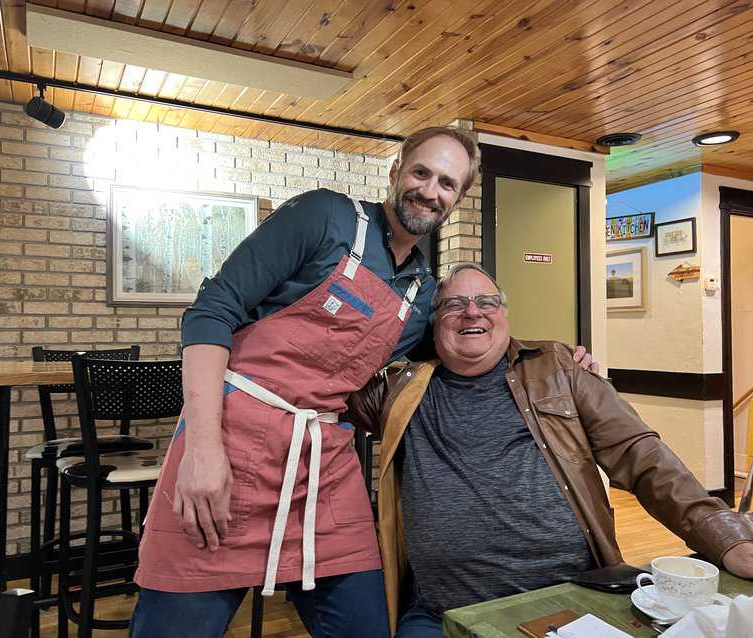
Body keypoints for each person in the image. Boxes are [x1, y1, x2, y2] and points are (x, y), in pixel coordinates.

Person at [129, 126, 598, 638]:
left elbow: (470, 343)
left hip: (325, 466)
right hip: (229, 445)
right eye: (421, 172)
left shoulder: (421, 295)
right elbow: (210, 312)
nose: (430, 190)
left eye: (447, 183)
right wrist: (202, 450)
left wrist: (554, 356)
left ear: (458, 198)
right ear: (396, 173)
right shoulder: (323, 216)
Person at [345, 262, 753, 637]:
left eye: (487, 302)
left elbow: (643, 457)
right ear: (432, 321)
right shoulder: (400, 388)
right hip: (441, 612)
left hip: (571, 595)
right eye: (453, 306)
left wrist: (723, 536)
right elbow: (330, 378)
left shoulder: (558, 368)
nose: (472, 312)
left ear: (505, 313)